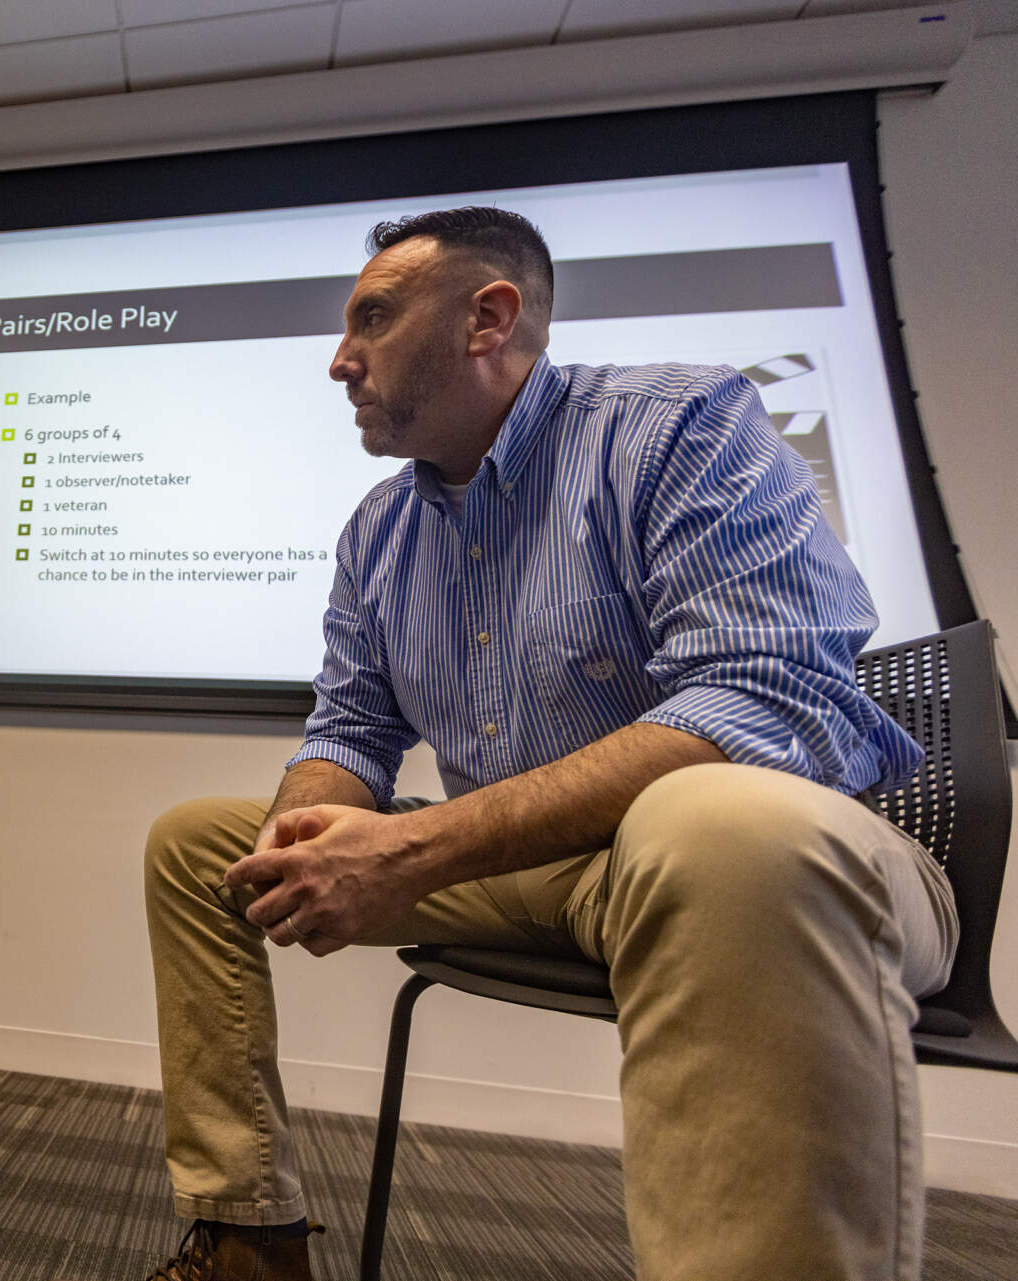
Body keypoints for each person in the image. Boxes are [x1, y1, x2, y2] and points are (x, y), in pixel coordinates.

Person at [132, 208, 958, 1281]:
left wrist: (416, 851)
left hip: (756, 869)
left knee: (713, 818)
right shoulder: (380, 532)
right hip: (526, 870)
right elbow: (350, 726)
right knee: (202, 844)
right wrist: (312, 828)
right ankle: (246, 1241)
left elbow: (763, 705)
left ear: (489, 318)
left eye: (373, 319)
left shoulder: (680, 426)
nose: (341, 362)